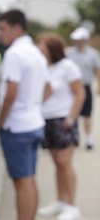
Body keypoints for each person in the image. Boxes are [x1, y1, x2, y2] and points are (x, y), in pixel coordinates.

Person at [0, 9, 50, 220]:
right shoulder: (36, 51)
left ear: (16, 27)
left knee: (21, 182)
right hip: (33, 122)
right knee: (29, 179)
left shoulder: (14, 53)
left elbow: (11, 92)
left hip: (17, 126)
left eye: (3, 28)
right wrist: (34, 106)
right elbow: (49, 87)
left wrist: (1, 122)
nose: (0, 34)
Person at [37, 33, 85, 220]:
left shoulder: (67, 66)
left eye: (42, 46)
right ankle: (60, 201)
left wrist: (71, 118)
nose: (39, 49)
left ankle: (72, 205)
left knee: (65, 163)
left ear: (52, 48)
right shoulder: (45, 67)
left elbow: (80, 94)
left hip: (63, 119)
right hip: (47, 119)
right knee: (57, 163)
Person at [65, 27, 100, 150]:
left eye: (78, 39)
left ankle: (89, 139)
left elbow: (97, 70)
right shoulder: (68, 52)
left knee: (86, 114)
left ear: (85, 40)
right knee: (72, 113)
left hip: (85, 86)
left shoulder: (93, 54)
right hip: (70, 87)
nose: (76, 41)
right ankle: (74, 138)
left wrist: (99, 85)